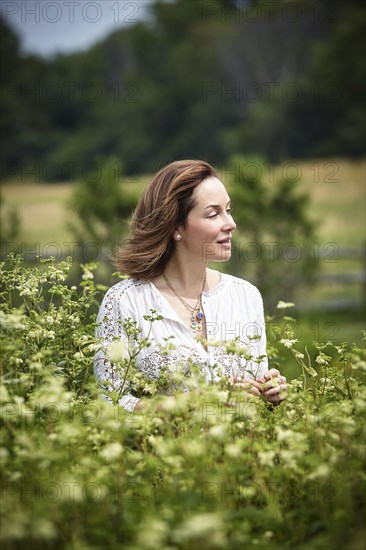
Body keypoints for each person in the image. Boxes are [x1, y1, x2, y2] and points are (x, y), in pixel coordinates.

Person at [94, 160, 287, 412]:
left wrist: (269, 392)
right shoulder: (125, 301)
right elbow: (111, 405)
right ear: (175, 226)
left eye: (228, 210)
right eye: (213, 213)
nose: (230, 223)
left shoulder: (246, 295)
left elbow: (254, 397)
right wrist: (196, 402)